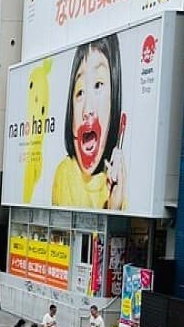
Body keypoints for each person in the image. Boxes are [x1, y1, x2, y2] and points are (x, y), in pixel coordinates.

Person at [51, 33, 128, 211]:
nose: (87, 110)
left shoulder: (117, 182)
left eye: (98, 85)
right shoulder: (65, 173)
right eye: (80, 92)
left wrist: (115, 206)